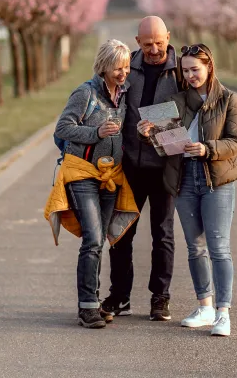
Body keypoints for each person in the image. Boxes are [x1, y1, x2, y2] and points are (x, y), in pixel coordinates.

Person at [138, 43, 237, 337]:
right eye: (185, 70)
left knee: (219, 248)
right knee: (195, 247)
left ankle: (223, 312)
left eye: (195, 69)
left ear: (209, 66)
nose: (190, 75)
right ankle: (205, 306)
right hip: (184, 179)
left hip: (217, 181)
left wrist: (206, 148)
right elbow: (166, 146)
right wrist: (150, 136)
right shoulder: (176, 101)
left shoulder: (228, 100)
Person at [45, 40, 140, 329]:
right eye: (117, 68)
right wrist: (97, 132)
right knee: (93, 239)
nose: (123, 73)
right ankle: (87, 307)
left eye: (126, 67)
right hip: (82, 174)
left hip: (110, 177)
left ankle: (95, 303)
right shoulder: (85, 93)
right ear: (103, 66)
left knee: (101, 239)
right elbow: (62, 129)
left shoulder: (123, 96)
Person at [101, 16, 182, 322]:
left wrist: (157, 128)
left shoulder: (180, 71)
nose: (154, 49)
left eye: (159, 42)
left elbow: (189, 114)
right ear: (137, 42)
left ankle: (160, 298)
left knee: (162, 234)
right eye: (147, 44)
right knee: (121, 233)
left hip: (164, 165)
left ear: (168, 38)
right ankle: (120, 296)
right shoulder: (126, 68)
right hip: (129, 166)